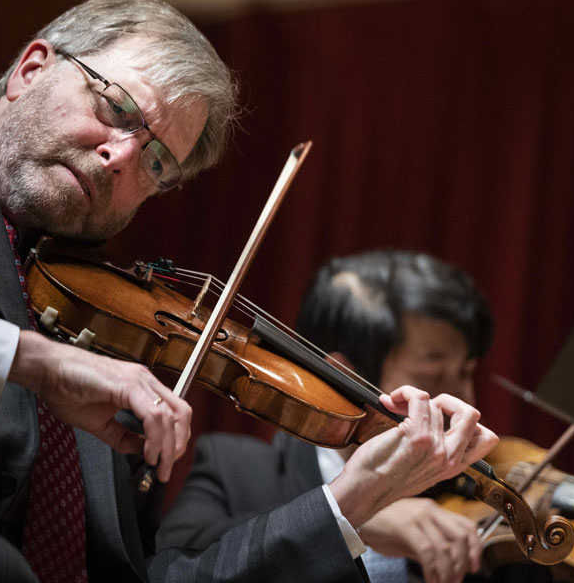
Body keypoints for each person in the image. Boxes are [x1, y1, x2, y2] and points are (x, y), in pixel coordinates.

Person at [0, 0, 497, 582]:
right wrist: (33, 360)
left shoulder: (113, 337)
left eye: (159, 160)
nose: (123, 158)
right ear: (31, 69)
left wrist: (352, 497)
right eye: (116, 107)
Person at [158, 250, 497, 583]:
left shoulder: (464, 492)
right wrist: (350, 518)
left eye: (467, 373)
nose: (465, 401)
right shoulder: (233, 470)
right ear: (346, 378)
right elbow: (173, 567)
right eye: (435, 376)